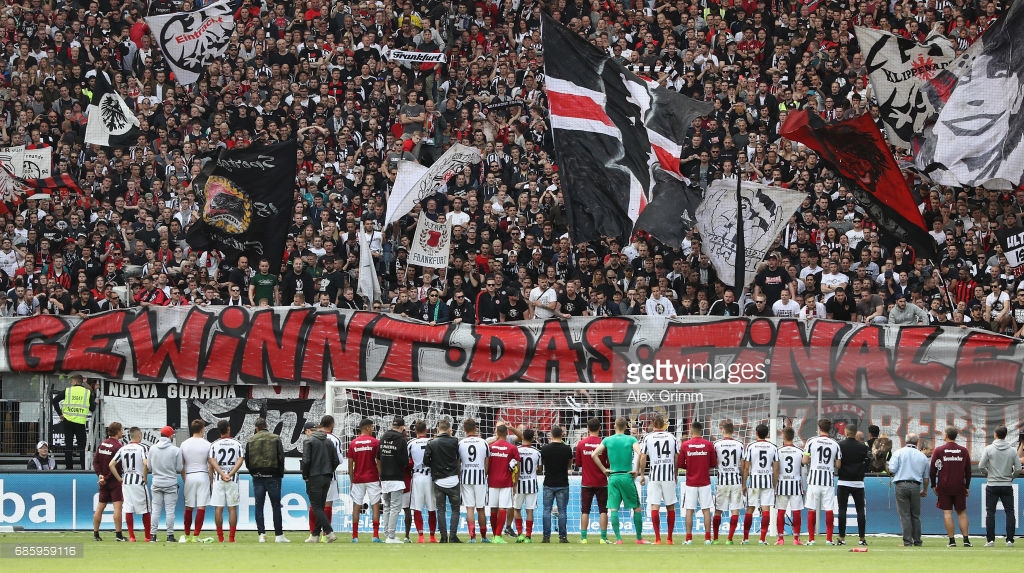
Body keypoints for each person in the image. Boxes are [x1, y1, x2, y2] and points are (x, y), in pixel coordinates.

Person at [591, 416, 650, 544]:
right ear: (626, 427)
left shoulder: (608, 440)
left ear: (614, 427)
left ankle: (618, 539)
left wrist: (603, 469)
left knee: (613, 509)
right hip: (626, 476)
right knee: (637, 508)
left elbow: (593, 454)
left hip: (613, 477)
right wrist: (637, 470)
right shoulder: (631, 439)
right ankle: (639, 538)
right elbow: (641, 454)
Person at [246, 417, 290, 543]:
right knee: (276, 506)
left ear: (256, 427)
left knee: (258, 506)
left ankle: (261, 535)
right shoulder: (275, 438)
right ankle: (279, 535)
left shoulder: (250, 440)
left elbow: (247, 461)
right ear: (266, 426)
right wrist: (280, 474)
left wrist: (254, 473)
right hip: (274, 476)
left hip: (258, 476)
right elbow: (281, 457)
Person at [638, 414, 679, 545]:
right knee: (670, 506)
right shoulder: (672, 437)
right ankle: (670, 539)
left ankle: (658, 539)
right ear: (664, 423)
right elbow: (677, 456)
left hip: (655, 476)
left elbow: (643, 456)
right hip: (669, 476)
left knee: (655, 506)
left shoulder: (648, 437)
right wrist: (676, 473)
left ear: (652, 423)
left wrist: (643, 474)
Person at [978, 426, 1021, 547]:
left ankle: (990, 540)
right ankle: (1010, 540)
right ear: (1005, 435)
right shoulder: (1012, 450)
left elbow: (981, 466)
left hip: (992, 485)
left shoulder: (989, 449)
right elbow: (1018, 468)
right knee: (1010, 512)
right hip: (1006, 485)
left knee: (990, 512)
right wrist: (1011, 477)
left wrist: (988, 474)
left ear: (995, 434)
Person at [931, 426, 973, 547]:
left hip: (944, 486)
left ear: (946, 435)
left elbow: (933, 470)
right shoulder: (963, 450)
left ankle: (952, 541)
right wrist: (967, 486)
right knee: (962, 513)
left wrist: (933, 485)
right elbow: (968, 471)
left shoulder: (939, 450)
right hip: (959, 486)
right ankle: (966, 540)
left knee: (947, 513)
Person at [803, 418, 841, 545]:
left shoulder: (811, 441)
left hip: (814, 479)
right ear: (829, 429)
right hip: (828, 480)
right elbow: (838, 464)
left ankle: (811, 539)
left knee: (812, 509)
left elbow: (804, 460)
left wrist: (812, 460)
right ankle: (829, 539)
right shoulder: (835, 444)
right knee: (829, 509)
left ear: (819, 428)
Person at [423, 419, 462, 543]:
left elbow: (425, 461)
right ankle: (453, 536)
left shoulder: (431, 442)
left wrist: (435, 465)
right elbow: (459, 457)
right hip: (453, 479)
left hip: (439, 480)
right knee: (455, 509)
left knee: (441, 509)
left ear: (438, 429)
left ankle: (443, 537)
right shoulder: (455, 441)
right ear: (449, 429)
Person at [109, 426, 151, 542]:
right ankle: (147, 536)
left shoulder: (123, 448)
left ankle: (132, 537)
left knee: (128, 508)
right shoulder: (142, 448)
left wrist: (119, 478)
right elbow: (145, 463)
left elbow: (111, 464)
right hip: (138, 480)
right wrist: (145, 477)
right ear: (139, 436)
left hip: (126, 480)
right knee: (146, 509)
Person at [888, 432, 930, 546]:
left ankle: (907, 541)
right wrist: (925, 490)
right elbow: (926, 477)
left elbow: (891, 469)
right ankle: (917, 540)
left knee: (905, 514)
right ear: (917, 442)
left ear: (905, 441)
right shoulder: (923, 456)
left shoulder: (898, 453)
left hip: (901, 485)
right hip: (916, 485)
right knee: (915, 515)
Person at [679, 420, 716, 545]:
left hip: (691, 482)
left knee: (689, 510)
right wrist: (703, 465)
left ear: (691, 430)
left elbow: (679, 464)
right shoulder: (708, 444)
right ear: (701, 431)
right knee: (706, 510)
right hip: (705, 481)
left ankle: (689, 539)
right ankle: (707, 539)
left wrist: (691, 465)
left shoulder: (685, 445)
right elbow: (713, 464)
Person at [302, 420, 340, 543]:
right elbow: (335, 460)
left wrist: (305, 475)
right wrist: (329, 471)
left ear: (308, 431)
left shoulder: (309, 441)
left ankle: (329, 532)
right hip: (327, 477)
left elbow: (306, 461)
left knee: (316, 506)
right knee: (321, 506)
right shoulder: (328, 441)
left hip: (314, 477)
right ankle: (315, 535)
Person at [209, 419, 245, 543]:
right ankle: (231, 538)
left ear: (219, 430)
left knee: (218, 508)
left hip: (219, 479)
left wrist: (221, 474)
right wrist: (230, 474)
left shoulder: (214, 444)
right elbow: (240, 460)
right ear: (229, 428)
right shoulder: (237, 444)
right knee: (232, 508)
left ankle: (220, 537)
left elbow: (212, 461)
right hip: (232, 479)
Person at [741, 423, 778, 545]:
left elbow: (746, 468)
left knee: (750, 508)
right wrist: (775, 483)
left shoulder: (751, 446)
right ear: (767, 434)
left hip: (754, 481)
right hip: (767, 480)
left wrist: (744, 484)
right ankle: (762, 539)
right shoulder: (773, 447)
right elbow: (776, 468)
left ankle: (745, 539)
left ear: (756, 433)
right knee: (766, 509)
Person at [51, 374, 96, 469]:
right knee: (82, 447)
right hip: (80, 422)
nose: (71, 383)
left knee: (68, 445)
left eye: (72, 381)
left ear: (75, 382)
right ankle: (84, 467)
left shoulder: (68, 391)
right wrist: (94, 401)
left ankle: (69, 467)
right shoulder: (87, 392)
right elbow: (92, 408)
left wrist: (60, 414)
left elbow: (54, 401)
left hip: (68, 421)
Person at [575, 416, 609, 543]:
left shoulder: (581, 443)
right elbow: (608, 463)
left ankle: (583, 538)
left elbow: (578, 463)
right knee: (603, 510)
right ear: (600, 428)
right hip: (601, 482)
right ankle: (603, 538)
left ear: (588, 428)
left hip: (586, 482)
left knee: (585, 510)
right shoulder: (603, 443)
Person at [179, 419, 213, 543]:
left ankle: (187, 535)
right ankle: (196, 536)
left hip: (189, 476)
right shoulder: (207, 444)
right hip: (203, 475)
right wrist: (211, 478)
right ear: (203, 429)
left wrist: (184, 477)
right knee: (201, 507)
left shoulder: (184, 444)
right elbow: (211, 463)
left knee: (188, 507)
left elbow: (181, 464)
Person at [349, 417, 382, 542]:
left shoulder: (353, 443)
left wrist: (352, 480)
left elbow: (350, 464)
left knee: (356, 507)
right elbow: (378, 462)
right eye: (372, 427)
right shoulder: (375, 442)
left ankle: (355, 536)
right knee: (375, 506)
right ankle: (375, 536)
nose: (373, 429)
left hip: (358, 478)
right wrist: (380, 477)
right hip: (372, 477)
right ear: (368, 427)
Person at [836, 424, 870, 546]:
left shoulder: (840, 445)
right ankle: (862, 538)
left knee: (842, 510)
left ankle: (841, 538)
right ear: (855, 433)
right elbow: (868, 462)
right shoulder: (863, 447)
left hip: (843, 480)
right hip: (858, 482)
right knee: (860, 510)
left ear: (846, 432)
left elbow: (837, 461)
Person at [486, 424, 521, 543]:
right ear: (507, 433)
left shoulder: (491, 447)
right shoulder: (512, 448)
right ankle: (498, 536)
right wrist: (515, 483)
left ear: (496, 433)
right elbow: (517, 466)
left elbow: (486, 464)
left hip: (492, 481)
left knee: (493, 509)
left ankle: (495, 535)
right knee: (503, 508)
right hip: (506, 482)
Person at [712, 420, 745, 544]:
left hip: (722, 481)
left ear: (722, 430)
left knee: (718, 510)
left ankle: (715, 539)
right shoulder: (740, 444)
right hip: (736, 480)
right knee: (735, 510)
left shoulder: (716, 444)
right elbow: (743, 464)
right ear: (733, 431)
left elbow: (714, 462)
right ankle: (729, 539)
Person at [92, 422, 126, 542]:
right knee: (118, 507)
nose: (122, 432)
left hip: (102, 481)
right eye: (121, 430)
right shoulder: (118, 446)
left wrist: (100, 476)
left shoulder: (102, 444)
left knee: (100, 507)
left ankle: (95, 534)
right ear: (117, 431)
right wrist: (106, 477)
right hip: (114, 481)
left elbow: (95, 462)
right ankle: (118, 535)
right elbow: (116, 467)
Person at [459, 418, 491, 542]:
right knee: (481, 508)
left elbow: (458, 462)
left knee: (469, 508)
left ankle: (472, 537)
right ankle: (484, 537)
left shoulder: (461, 443)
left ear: (464, 430)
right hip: (480, 477)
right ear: (476, 428)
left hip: (466, 477)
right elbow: (486, 462)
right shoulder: (483, 442)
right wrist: (484, 474)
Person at [379, 416, 410, 544]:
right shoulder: (401, 440)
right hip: (396, 477)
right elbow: (405, 461)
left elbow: (378, 458)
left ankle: (387, 534)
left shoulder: (383, 437)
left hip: (384, 477)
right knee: (395, 507)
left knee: (386, 507)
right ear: (402, 427)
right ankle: (391, 536)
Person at [540, 425, 573, 543]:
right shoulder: (567, 449)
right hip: (563, 483)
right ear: (562, 435)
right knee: (562, 510)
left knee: (546, 510)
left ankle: (546, 537)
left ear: (551, 435)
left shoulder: (545, 449)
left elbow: (543, 464)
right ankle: (563, 537)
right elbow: (569, 464)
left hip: (548, 482)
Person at [149, 426, 182, 543]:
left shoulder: (152, 449)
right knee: (170, 510)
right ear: (170, 436)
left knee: (156, 510)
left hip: (156, 482)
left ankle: (152, 535)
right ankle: (170, 535)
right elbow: (179, 468)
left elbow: (149, 466)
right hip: (170, 483)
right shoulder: (176, 450)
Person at [407, 419, 438, 543]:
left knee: (417, 507)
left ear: (415, 431)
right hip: (430, 476)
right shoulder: (433, 442)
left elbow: (407, 461)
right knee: (432, 507)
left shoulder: (411, 443)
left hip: (417, 477)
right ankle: (432, 536)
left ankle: (420, 536)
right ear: (426, 430)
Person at [775, 426, 805, 545]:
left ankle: (780, 538)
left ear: (783, 436)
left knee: (781, 512)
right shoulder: (800, 451)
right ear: (793, 437)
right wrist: (803, 487)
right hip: (796, 485)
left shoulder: (778, 451)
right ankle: (796, 539)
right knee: (796, 511)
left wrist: (775, 485)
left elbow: (776, 470)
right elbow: (803, 471)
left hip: (782, 484)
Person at [513, 428, 542, 543]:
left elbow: (513, 466)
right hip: (531, 484)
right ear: (533, 438)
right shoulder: (537, 452)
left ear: (522, 437)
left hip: (519, 483)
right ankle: (528, 536)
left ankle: (520, 534)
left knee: (517, 509)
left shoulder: (516, 450)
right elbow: (540, 469)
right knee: (530, 510)